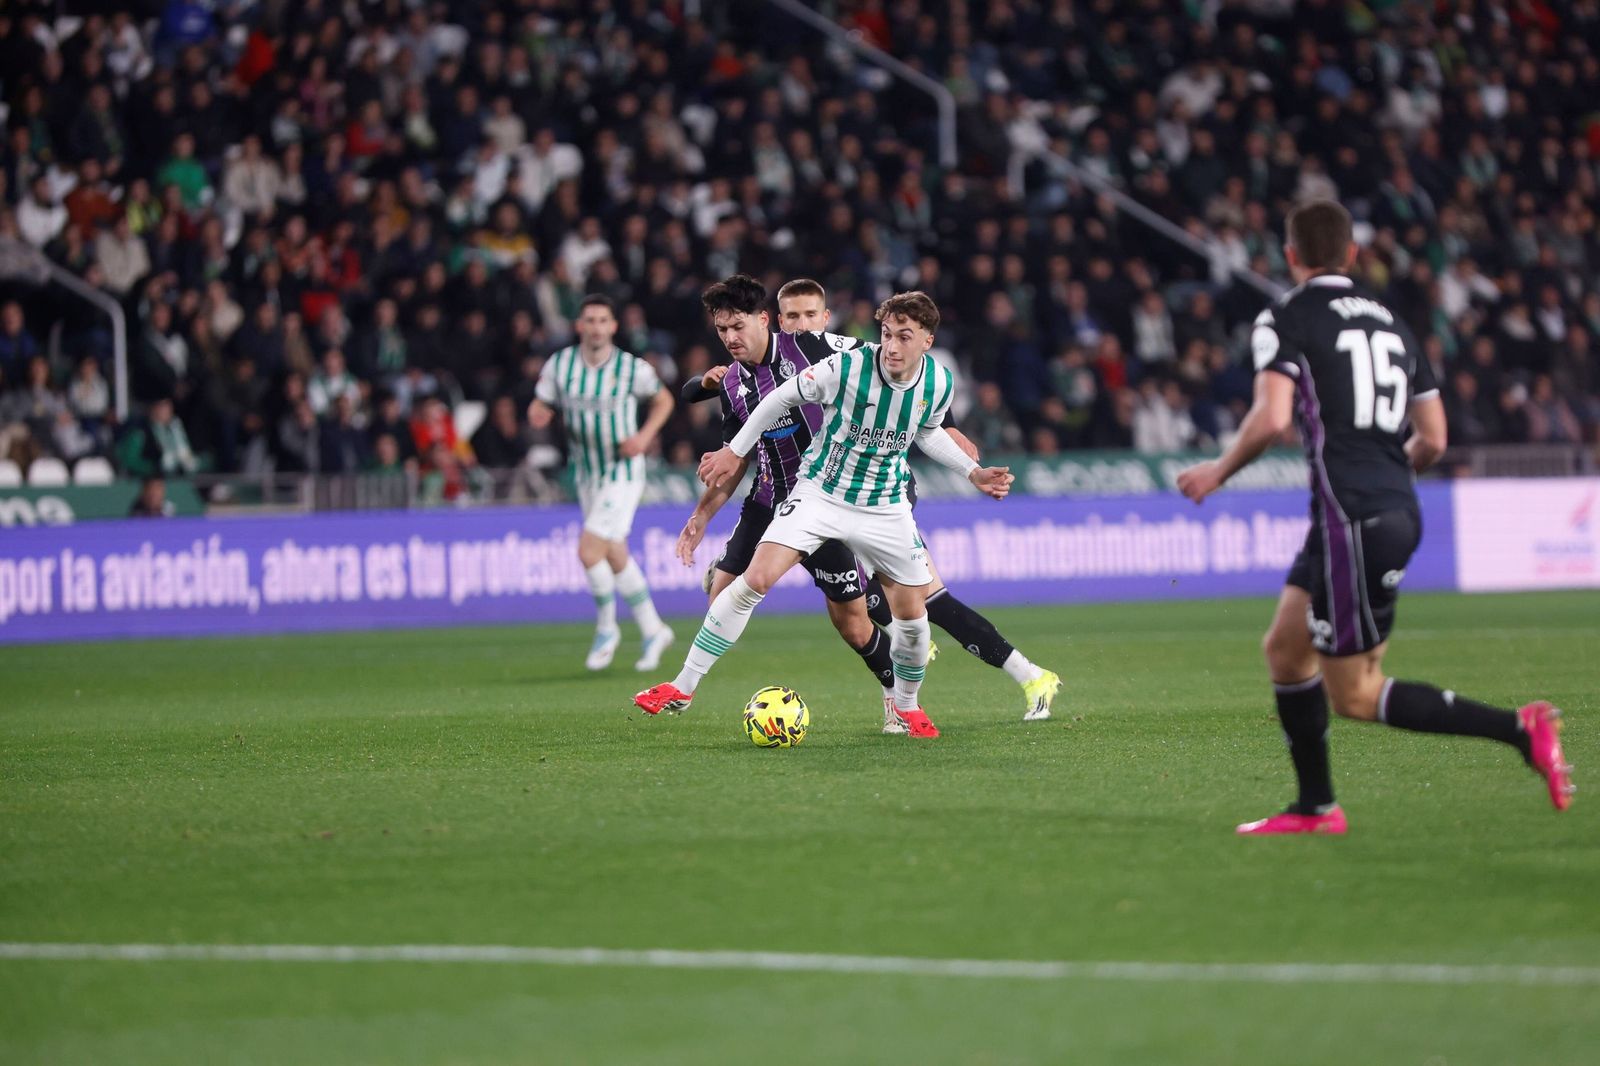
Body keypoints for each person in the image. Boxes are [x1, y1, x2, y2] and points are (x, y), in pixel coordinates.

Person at [1176, 200, 1573, 835]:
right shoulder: (1395, 323)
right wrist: (1385, 483)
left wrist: (1216, 472)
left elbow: (1274, 417)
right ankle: (1315, 808)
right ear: (1353, 255)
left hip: (1352, 516)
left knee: (1356, 693)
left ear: (1290, 255)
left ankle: (1517, 730)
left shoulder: (1286, 316)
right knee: (1285, 650)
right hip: (1374, 509)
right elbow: (1434, 438)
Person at [683, 277, 1062, 723]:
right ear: (778, 321)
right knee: (837, 611)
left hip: (876, 491)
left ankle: (1025, 676)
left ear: (825, 320)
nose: (803, 325)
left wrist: (953, 430)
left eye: (811, 316)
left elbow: (906, 368)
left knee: (924, 600)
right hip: (800, 495)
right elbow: (702, 396)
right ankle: (908, 676)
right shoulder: (749, 367)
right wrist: (702, 385)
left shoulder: (839, 349)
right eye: (794, 317)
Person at [670, 274, 930, 736]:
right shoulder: (731, 383)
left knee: (851, 623)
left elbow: (891, 358)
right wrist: (699, 517)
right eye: (721, 330)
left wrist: (940, 422)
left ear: (763, 321)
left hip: (825, 500)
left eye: (737, 327)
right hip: (770, 499)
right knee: (723, 594)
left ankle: (894, 687)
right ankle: (683, 687)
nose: (730, 338)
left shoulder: (810, 347)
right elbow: (735, 457)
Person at [529, 295, 676, 672]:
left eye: (602, 320)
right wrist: (539, 411)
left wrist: (643, 437)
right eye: (589, 320)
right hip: (587, 472)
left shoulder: (631, 368)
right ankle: (654, 628)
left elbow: (664, 401)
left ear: (613, 326)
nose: (596, 327)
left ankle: (607, 628)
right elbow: (540, 402)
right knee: (612, 552)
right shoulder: (560, 366)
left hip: (622, 470)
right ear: (579, 326)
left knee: (588, 550)